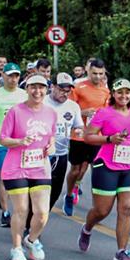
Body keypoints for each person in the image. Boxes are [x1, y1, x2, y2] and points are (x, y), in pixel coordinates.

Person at [77, 78, 130, 260]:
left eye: (127, 93)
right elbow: (88, 136)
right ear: (113, 95)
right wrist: (109, 139)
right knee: (102, 211)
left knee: (126, 209)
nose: (124, 96)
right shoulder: (104, 113)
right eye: (120, 92)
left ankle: (121, 251)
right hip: (107, 165)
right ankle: (87, 228)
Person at [0, 75, 56, 260]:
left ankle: (31, 240)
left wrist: (51, 147)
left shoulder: (50, 112)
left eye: (41, 87)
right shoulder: (16, 111)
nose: (37, 91)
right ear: (27, 89)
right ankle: (16, 248)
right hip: (16, 167)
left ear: (46, 90)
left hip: (40, 167)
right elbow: (3, 139)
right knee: (21, 209)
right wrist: (19, 142)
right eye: (33, 87)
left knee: (42, 213)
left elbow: (51, 137)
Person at [64, 58, 109, 215]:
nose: (97, 77)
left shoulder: (105, 90)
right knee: (76, 169)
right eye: (94, 73)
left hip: (96, 135)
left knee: (92, 168)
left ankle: (96, 202)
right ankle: (69, 195)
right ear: (88, 71)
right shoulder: (78, 87)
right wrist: (83, 113)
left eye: (100, 74)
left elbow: (107, 112)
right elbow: (68, 108)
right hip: (79, 134)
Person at [0, 62, 27, 227]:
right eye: (10, 75)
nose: (13, 79)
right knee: (4, 177)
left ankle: (18, 209)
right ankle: (6, 212)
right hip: (0, 141)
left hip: (21, 142)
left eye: (16, 76)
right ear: (3, 76)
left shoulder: (24, 95)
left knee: (19, 177)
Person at [44, 73, 83, 213]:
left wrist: (79, 130)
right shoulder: (41, 103)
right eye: (61, 90)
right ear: (52, 87)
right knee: (39, 190)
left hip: (61, 155)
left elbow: (78, 125)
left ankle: (39, 219)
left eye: (68, 91)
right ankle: (31, 221)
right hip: (41, 154)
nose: (65, 94)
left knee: (55, 191)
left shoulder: (73, 107)